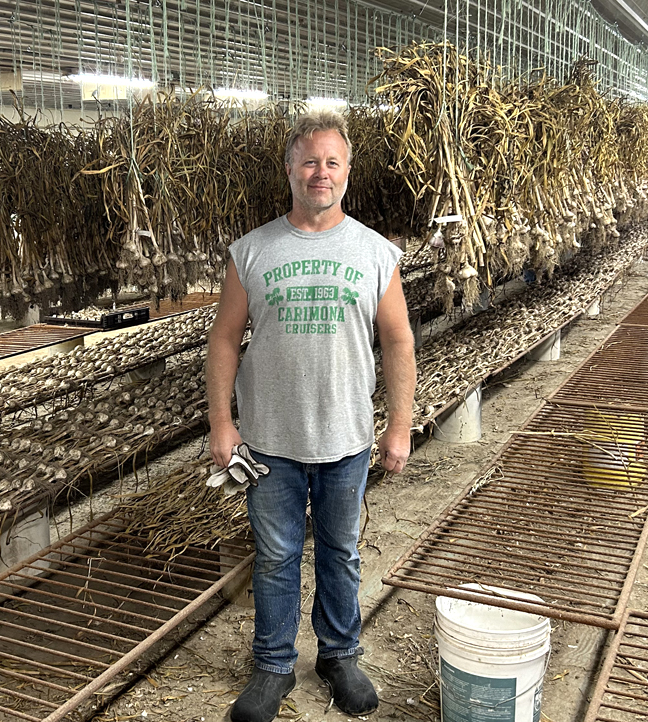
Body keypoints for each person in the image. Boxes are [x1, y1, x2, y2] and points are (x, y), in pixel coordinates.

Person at [205, 110, 416, 722]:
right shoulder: (252, 251)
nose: (318, 173)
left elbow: (398, 340)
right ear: (290, 170)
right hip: (269, 441)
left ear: (347, 172)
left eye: (331, 162)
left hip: (346, 437)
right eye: (308, 161)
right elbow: (224, 340)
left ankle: (338, 654)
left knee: (340, 552)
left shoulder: (375, 252)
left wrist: (398, 425)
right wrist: (223, 423)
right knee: (275, 557)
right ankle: (273, 666)